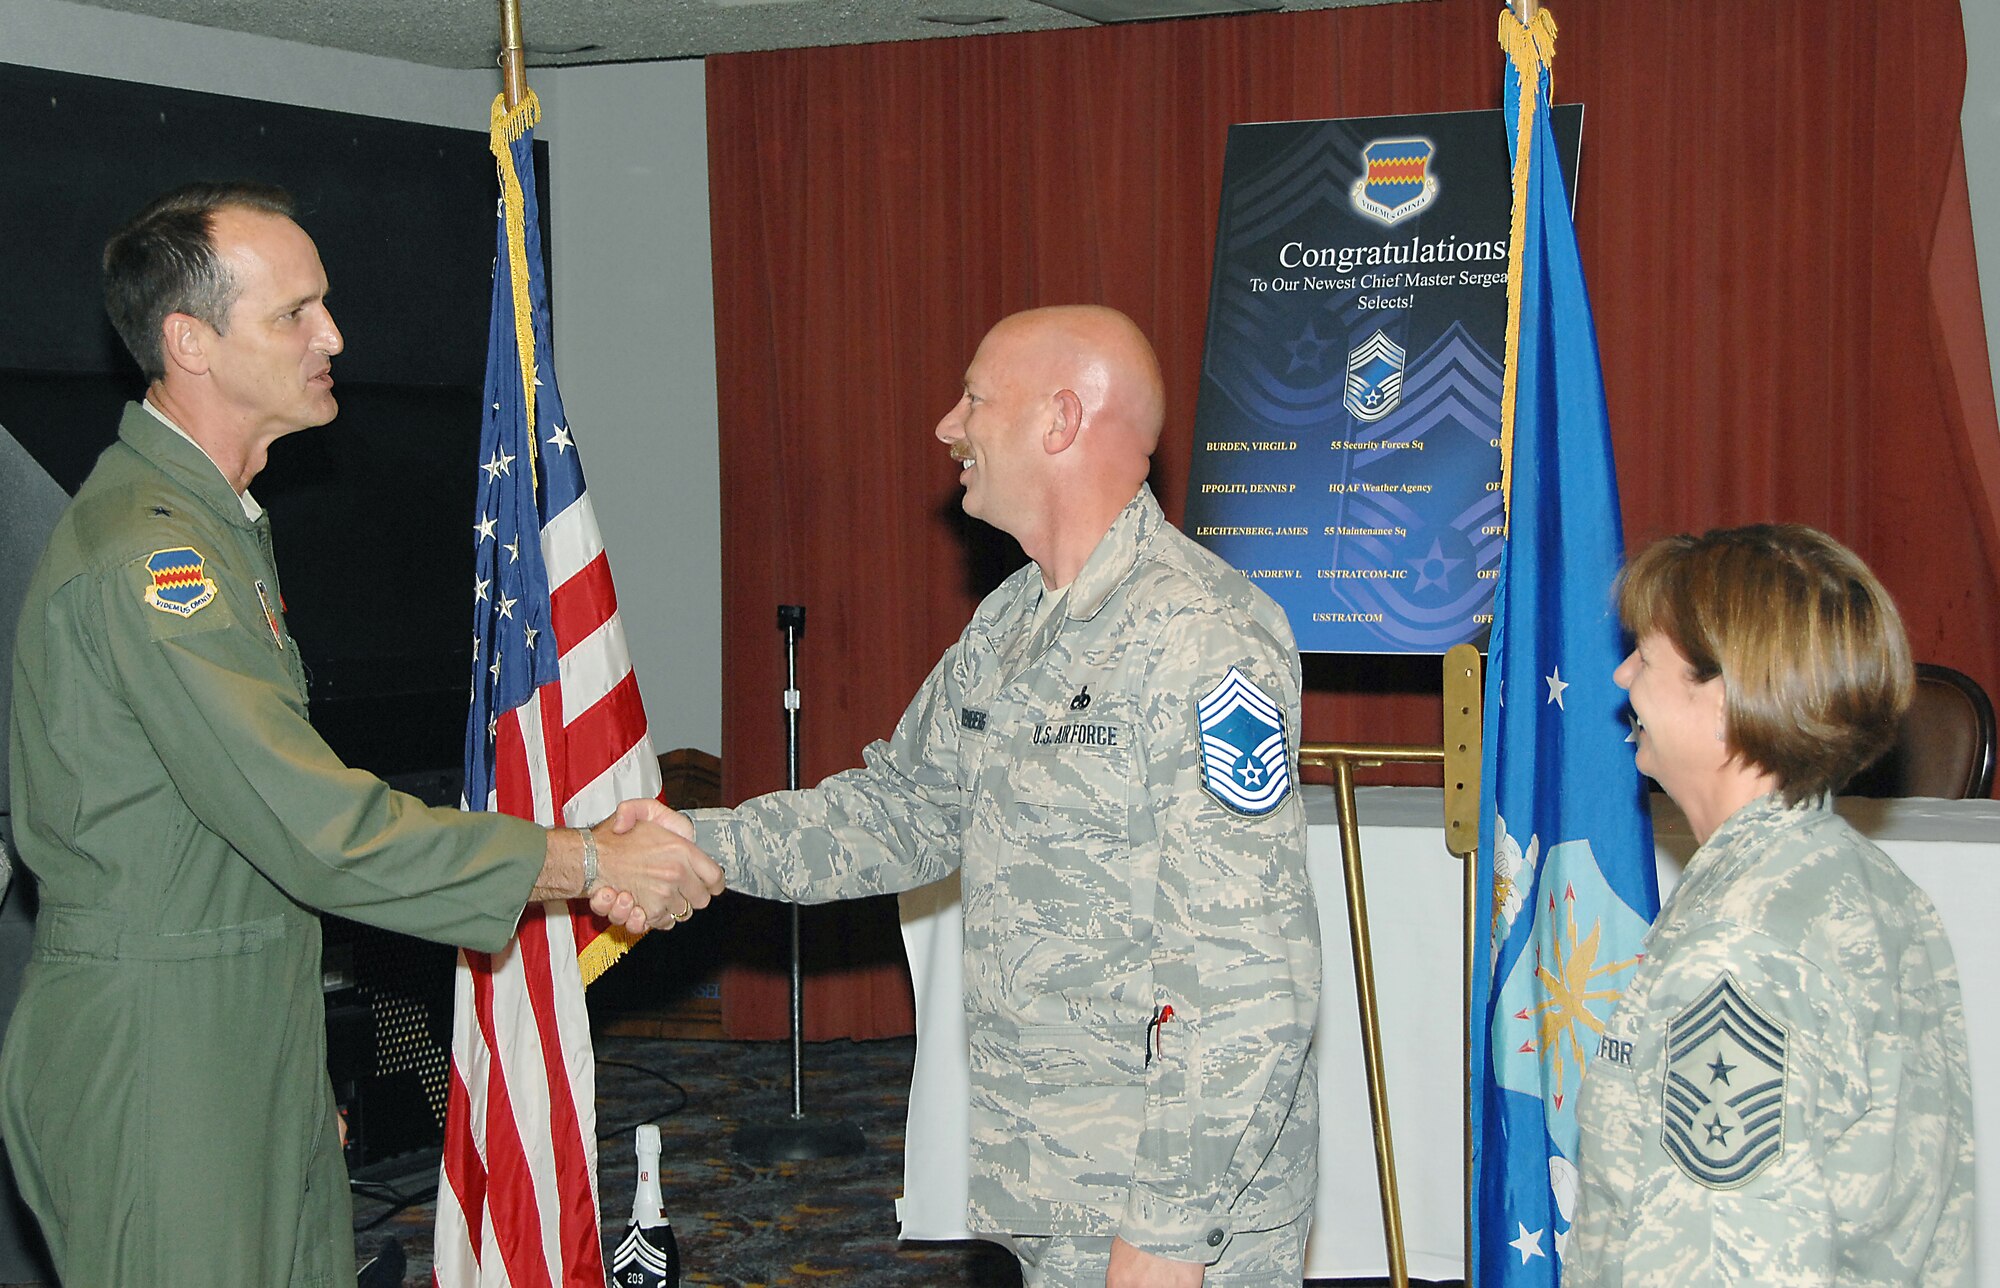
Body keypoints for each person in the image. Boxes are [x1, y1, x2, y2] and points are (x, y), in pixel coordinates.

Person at [1, 181, 724, 1286]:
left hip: (236, 1025)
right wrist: (585, 861)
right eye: (293, 312)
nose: (331, 334)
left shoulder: (215, 521)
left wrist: (282, 1076)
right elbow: (314, 825)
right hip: (161, 1044)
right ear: (189, 341)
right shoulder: (154, 559)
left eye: (323, 304)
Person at [623, 306, 1320, 1287]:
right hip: (1054, 1191)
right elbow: (897, 810)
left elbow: (1251, 984)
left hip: (1171, 1215)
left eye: (975, 398)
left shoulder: (1201, 637)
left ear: (1059, 422)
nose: (947, 425)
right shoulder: (1010, 623)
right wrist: (690, 840)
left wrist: (1165, 1238)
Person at [1566, 525, 1975, 1285]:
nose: (1623, 678)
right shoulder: (1868, 886)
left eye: (1647, 659)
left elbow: (1720, 1260)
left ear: (1724, 701)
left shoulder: (1738, 952)